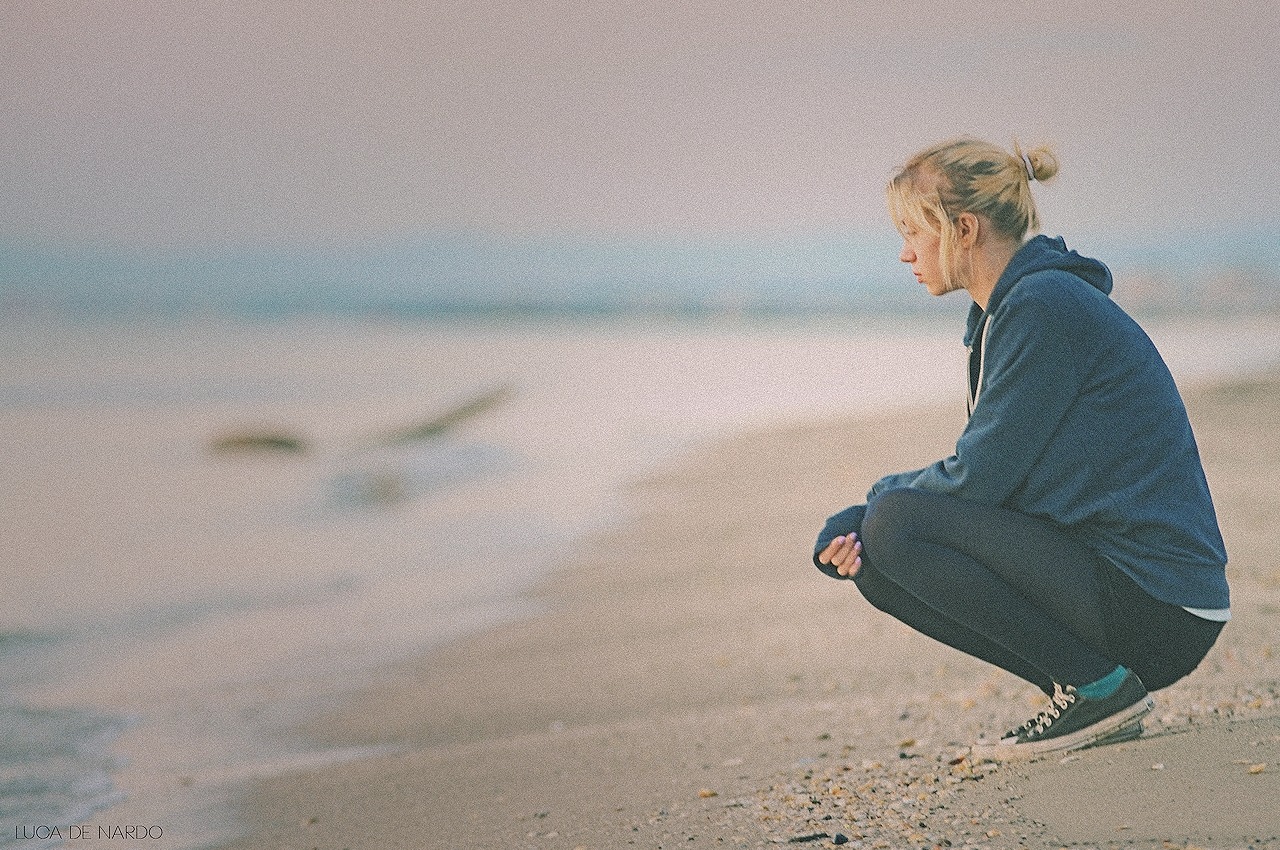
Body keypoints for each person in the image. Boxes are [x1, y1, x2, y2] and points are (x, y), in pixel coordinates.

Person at [813, 137, 1229, 761]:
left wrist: (872, 503)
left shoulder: (1043, 308)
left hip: (1159, 603)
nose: (904, 254)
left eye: (913, 234)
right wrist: (869, 518)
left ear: (964, 229)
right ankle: (1085, 686)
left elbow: (978, 479)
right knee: (877, 555)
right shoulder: (1015, 310)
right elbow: (993, 480)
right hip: (1126, 588)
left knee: (894, 523)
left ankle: (1100, 689)